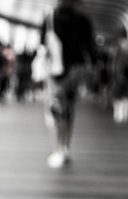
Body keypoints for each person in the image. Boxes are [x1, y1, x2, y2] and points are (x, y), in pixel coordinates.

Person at [41, 0, 97, 168]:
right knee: (69, 108)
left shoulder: (50, 18)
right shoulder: (83, 20)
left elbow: (42, 44)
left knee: (55, 109)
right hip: (75, 71)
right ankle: (65, 148)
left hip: (55, 71)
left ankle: (57, 150)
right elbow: (90, 48)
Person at [110, 27, 128, 123]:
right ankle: (124, 114)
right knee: (126, 95)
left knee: (117, 95)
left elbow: (114, 63)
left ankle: (118, 114)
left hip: (119, 74)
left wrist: (114, 73)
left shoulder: (117, 48)